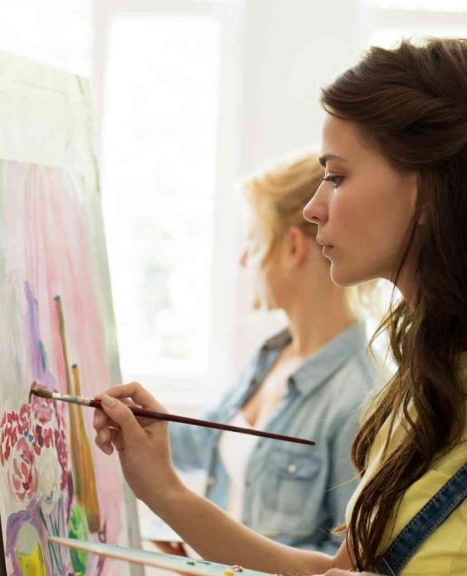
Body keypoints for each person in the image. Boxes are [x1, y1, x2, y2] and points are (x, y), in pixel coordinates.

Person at [93, 38, 467, 576]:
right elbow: (334, 572)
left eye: (337, 176)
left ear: (424, 192)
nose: (313, 208)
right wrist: (162, 489)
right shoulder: (422, 387)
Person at [159, 151, 375, 554]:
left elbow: (349, 561)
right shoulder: (269, 356)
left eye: (253, 240)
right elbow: (204, 440)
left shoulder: (360, 399)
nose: (243, 258)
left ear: (293, 247)